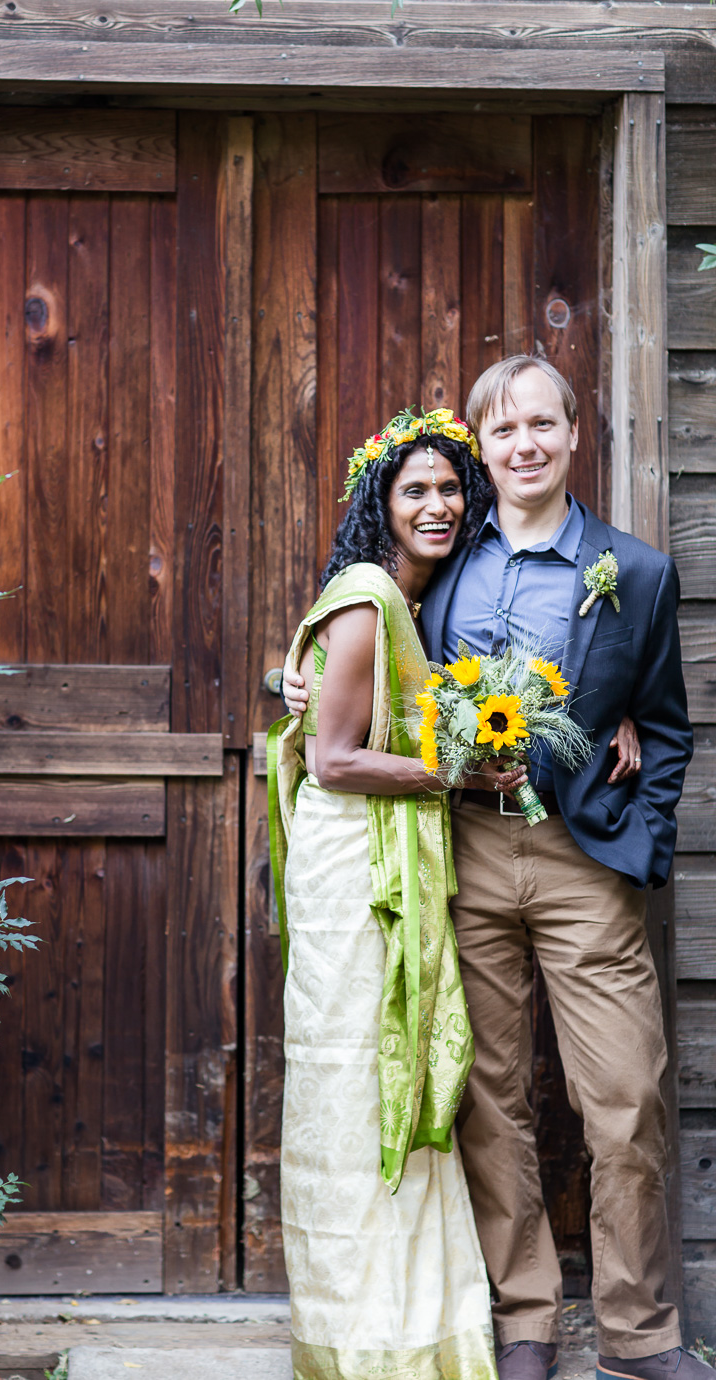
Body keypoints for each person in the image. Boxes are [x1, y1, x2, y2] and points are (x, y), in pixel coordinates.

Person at [283, 357, 706, 1380]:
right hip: (460, 862)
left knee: (625, 1098)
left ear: (572, 433)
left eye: (540, 425)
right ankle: (520, 1323)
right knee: (487, 1097)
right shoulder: (439, 560)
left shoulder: (635, 573)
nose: (523, 445)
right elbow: (358, 643)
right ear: (482, 445)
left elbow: (665, 729)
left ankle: (638, 1335)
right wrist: (284, 674)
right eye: (502, 429)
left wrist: (637, 848)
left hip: (580, 863)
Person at [269, 408, 520, 1380]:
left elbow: (344, 702)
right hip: (352, 876)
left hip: (385, 859)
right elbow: (332, 761)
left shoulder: (408, 603)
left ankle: (418, 1320)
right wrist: (453, 778)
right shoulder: (367, 597)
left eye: (450, 487)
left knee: (401, 1073)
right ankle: (367, 1335)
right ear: (379, 501)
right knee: (358, 1080)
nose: (437, 504)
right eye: (413, 488)